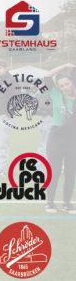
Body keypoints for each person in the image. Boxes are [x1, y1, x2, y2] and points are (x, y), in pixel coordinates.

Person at [44, 65, 76, 213]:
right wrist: (65, 66)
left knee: (71, 172)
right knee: (54, 171)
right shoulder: (56, 93)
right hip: (56, 137)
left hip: (72, 139)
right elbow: (47, 76)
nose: (65, 87)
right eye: (62, 85)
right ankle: (50, 202)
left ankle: (67, 203)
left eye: (67, 84)